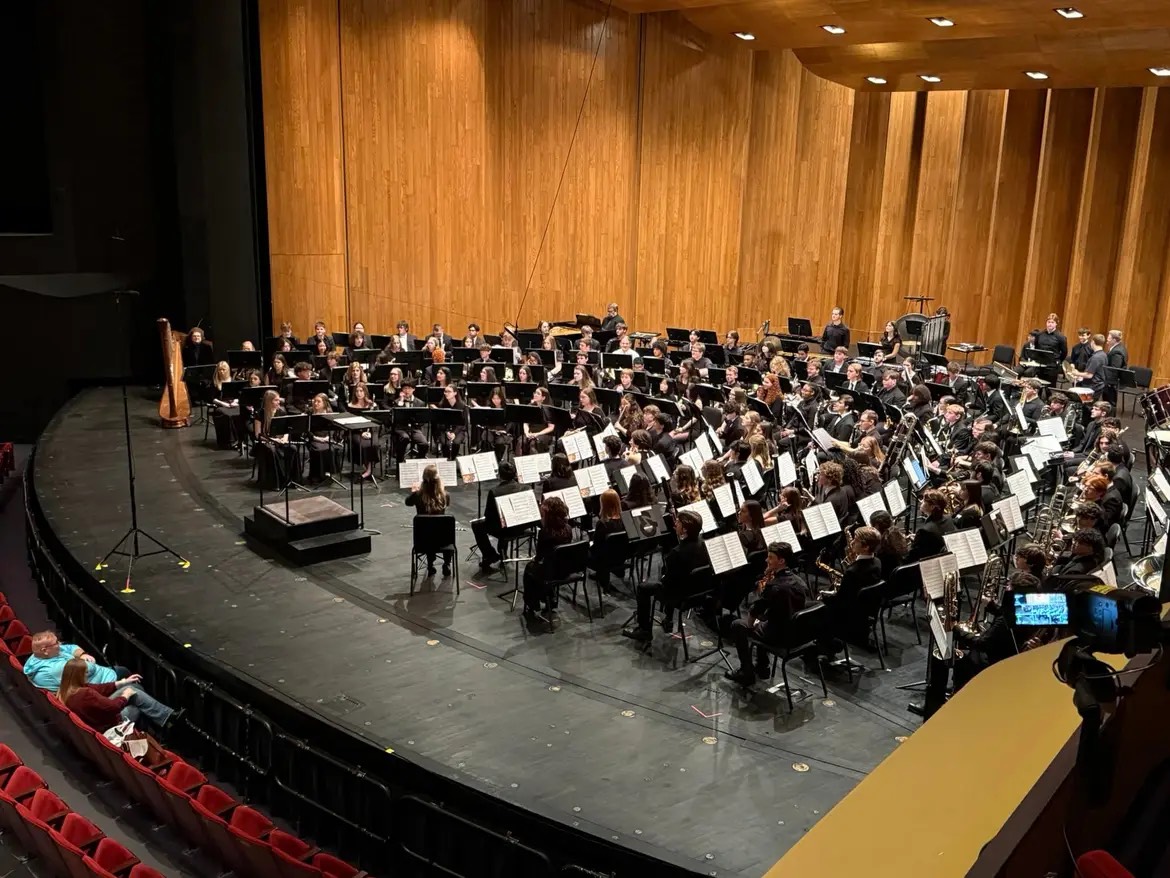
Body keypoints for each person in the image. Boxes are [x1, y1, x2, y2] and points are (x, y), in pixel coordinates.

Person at [724, 542, 811, 686]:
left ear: (781, 561)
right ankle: (763, 666)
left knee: (738, 625)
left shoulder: (774, 586)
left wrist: (750, 625)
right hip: (798, 634)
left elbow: (755, 610)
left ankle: (746, 672)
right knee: (765, 622)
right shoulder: (799, 581)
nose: (766, 560)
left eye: (770, 558)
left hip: (780, 637)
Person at [623, 511, 708, 642]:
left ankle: (644, 630)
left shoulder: (676, 553)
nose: (675, 524)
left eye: (678, 522)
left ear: (684, 529)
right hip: (697, 593)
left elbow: (668, 584)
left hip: (679, 596)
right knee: (676, 579)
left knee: (643, 588)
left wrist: (662, 577)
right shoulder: (703, 545)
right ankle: (668, 620)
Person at [57, 657, 177, 734]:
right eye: (86, 673)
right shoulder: (84, 694)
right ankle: (168, 720)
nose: (87, 675)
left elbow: (99, 688)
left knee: (135, 689)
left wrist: (122, 682)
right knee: (135, 703)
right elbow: (113, 707)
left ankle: (164, 721)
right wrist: (125, 696)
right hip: (107, 725)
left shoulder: (67, 688)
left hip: (98, 718)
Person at [522, 497, 573, 623]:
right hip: (566, 570)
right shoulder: (568, 528)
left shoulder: (545, 533)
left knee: (530, 569)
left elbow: (539, 557)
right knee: (547, 566)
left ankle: (533, 603)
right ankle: (550, 598)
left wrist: (535, 560)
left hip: (551, 572)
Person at [473, 461, 527, 572]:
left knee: (477, 525)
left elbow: (488, 516)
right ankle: (503, 555)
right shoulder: (525, 488)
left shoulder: (495, 492)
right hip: (521, 527)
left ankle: (490, 555)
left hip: (505, 530)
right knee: (504, 520)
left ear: (500, 476)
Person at [405, 464, 455, 577]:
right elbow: (447, 503)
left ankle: (430, 565)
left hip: (422, 540)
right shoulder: (445, 496)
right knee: (443, 532)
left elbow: (407, 502)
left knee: (428, 530)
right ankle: (447, 563)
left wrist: (414, 491)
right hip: (443, 541)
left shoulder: (418, 495)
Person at [907, 489, 957, 562]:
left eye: (924, 501)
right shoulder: (948, 518)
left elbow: (912, 556)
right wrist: (918, 539)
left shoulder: (925, 531)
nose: (921, 502)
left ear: (932, 507)